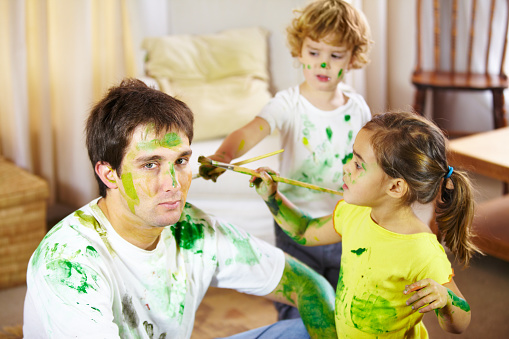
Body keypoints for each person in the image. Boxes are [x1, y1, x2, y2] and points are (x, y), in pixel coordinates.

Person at [22, 78, 337, 339]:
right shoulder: (68, 264)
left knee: (303, 330)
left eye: (181, 161)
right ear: (109, 174)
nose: (173, 183)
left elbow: (309, 286)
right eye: (151, 164)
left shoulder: (192, 230)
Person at [199, 0, 372, 320]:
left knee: (343, 310)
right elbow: (252, 130)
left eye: (335, 56)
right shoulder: (287, 104)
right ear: (299, 51)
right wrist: (224, 155)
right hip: (293, 224)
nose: (323, 64)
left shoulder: (358, 108)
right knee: (301, 310)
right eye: (314, 53)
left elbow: (369, 162)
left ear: (352, 57)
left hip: (343, 226)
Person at [250, 111, 480, 337]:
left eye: (358, 165)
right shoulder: (354, 213)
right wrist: (272, 198)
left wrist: (445, 300)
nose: (346, 167)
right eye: (352, 158)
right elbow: (304, 230)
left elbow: (460, 324)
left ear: (395, 187)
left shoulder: (422, 251)